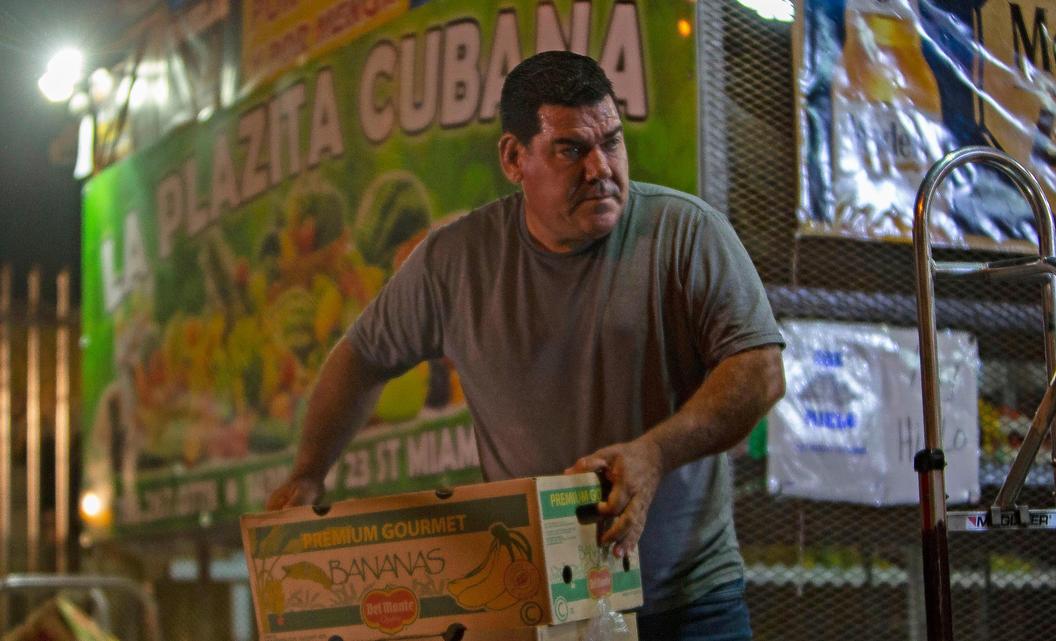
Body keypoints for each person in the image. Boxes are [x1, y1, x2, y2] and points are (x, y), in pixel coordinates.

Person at [266, 50, 785, 640]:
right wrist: (309, 472)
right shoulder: (456, 261)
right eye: (571, 150)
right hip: (539, 604)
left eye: (611, 143)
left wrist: (655, 453)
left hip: (688, 600)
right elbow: (361, 357)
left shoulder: (686, 232)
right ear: (515, 158)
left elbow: (760, 370)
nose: (600, 168)